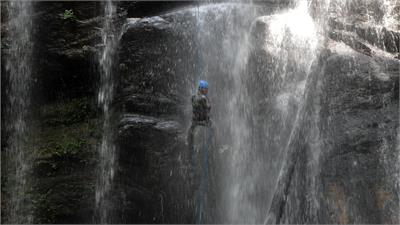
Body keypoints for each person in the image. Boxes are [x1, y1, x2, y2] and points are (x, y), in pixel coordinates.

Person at [187, 80, 211, 149]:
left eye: (207, 89)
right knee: (215, 128)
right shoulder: (203, 98)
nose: (207, 91)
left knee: (190, 128)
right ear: (202, 88)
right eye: (206, 89)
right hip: (203, 120)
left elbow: (194, 105)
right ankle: (219, 147)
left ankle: (188, 141)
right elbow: (208, 107)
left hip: (195, 120)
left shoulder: (194, 96)